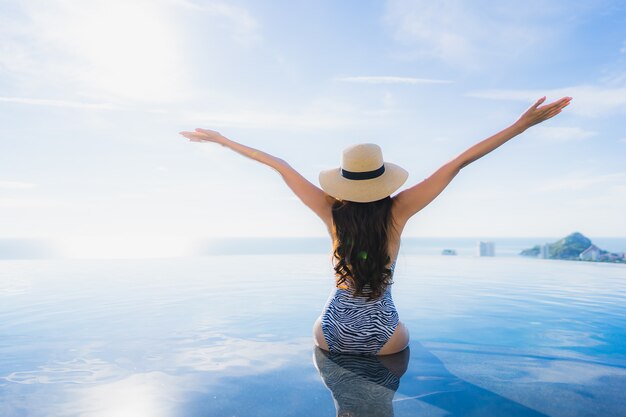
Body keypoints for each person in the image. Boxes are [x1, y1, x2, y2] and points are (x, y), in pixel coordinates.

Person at [179, 96, 572, 356]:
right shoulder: (399, 210)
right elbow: (458, 163)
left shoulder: (329, 210)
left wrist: (222, 140)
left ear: (344, 180)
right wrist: (521, 126)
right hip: (384, 337)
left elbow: (278, 163)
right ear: (383, 179)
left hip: (330, 333)